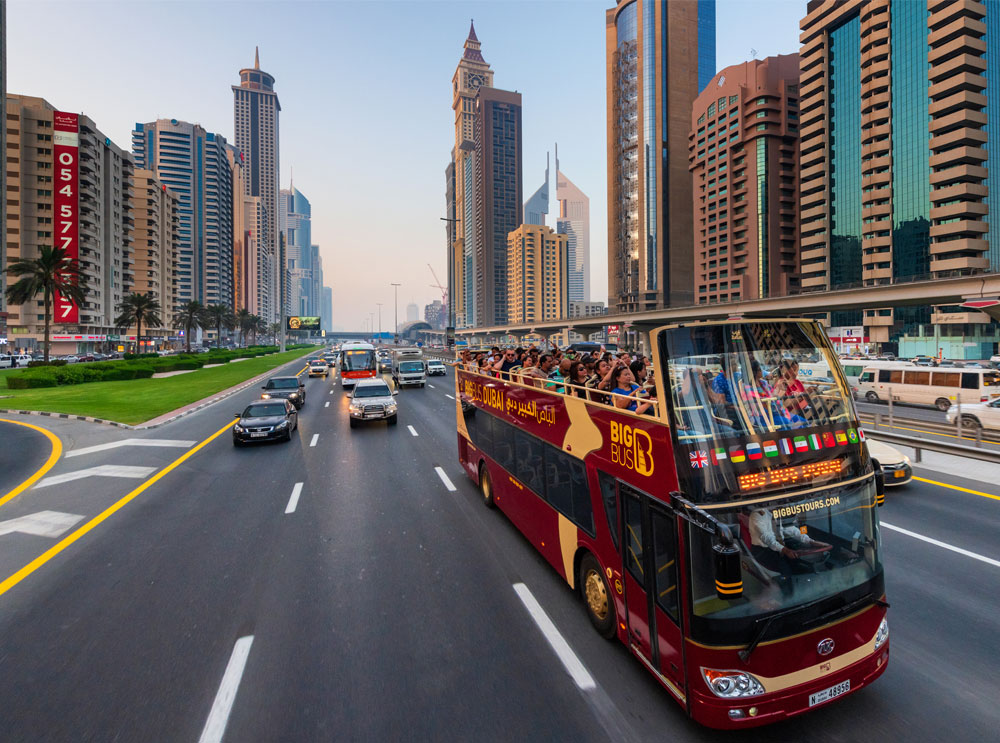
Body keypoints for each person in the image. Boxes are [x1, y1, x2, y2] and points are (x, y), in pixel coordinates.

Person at [748, 507, 831, 587]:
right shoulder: (757, 515)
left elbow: (788, 529)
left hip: (779, 546)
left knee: (800, 564)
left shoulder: (776, 512)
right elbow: (767, 538)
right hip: (762, 550)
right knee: (785, 570)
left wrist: (810, 541)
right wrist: (786, 551)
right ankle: (787, 594)